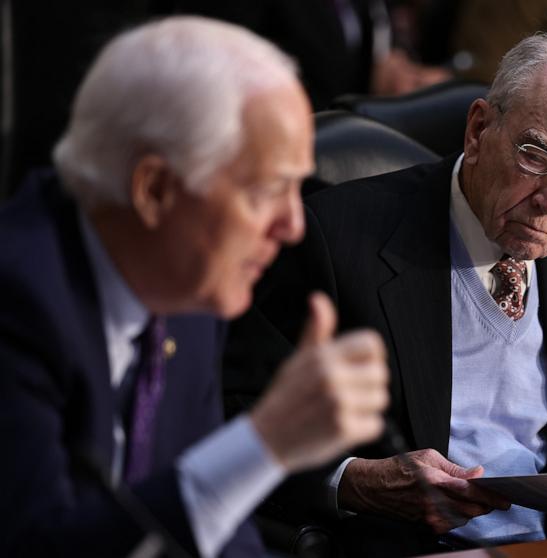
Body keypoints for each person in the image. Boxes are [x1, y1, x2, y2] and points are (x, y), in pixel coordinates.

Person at [226, 32, 547, 555]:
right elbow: (231, 421)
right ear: (478, 130)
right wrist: (354, 480)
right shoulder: (335, 240)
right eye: (536, 157)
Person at [0, 17, 389, 557]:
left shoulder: (188, 295)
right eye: (267, 190)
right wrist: (265, 443)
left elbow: (216, 525)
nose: (293, 225)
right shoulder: (18, 300)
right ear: (155, 190)